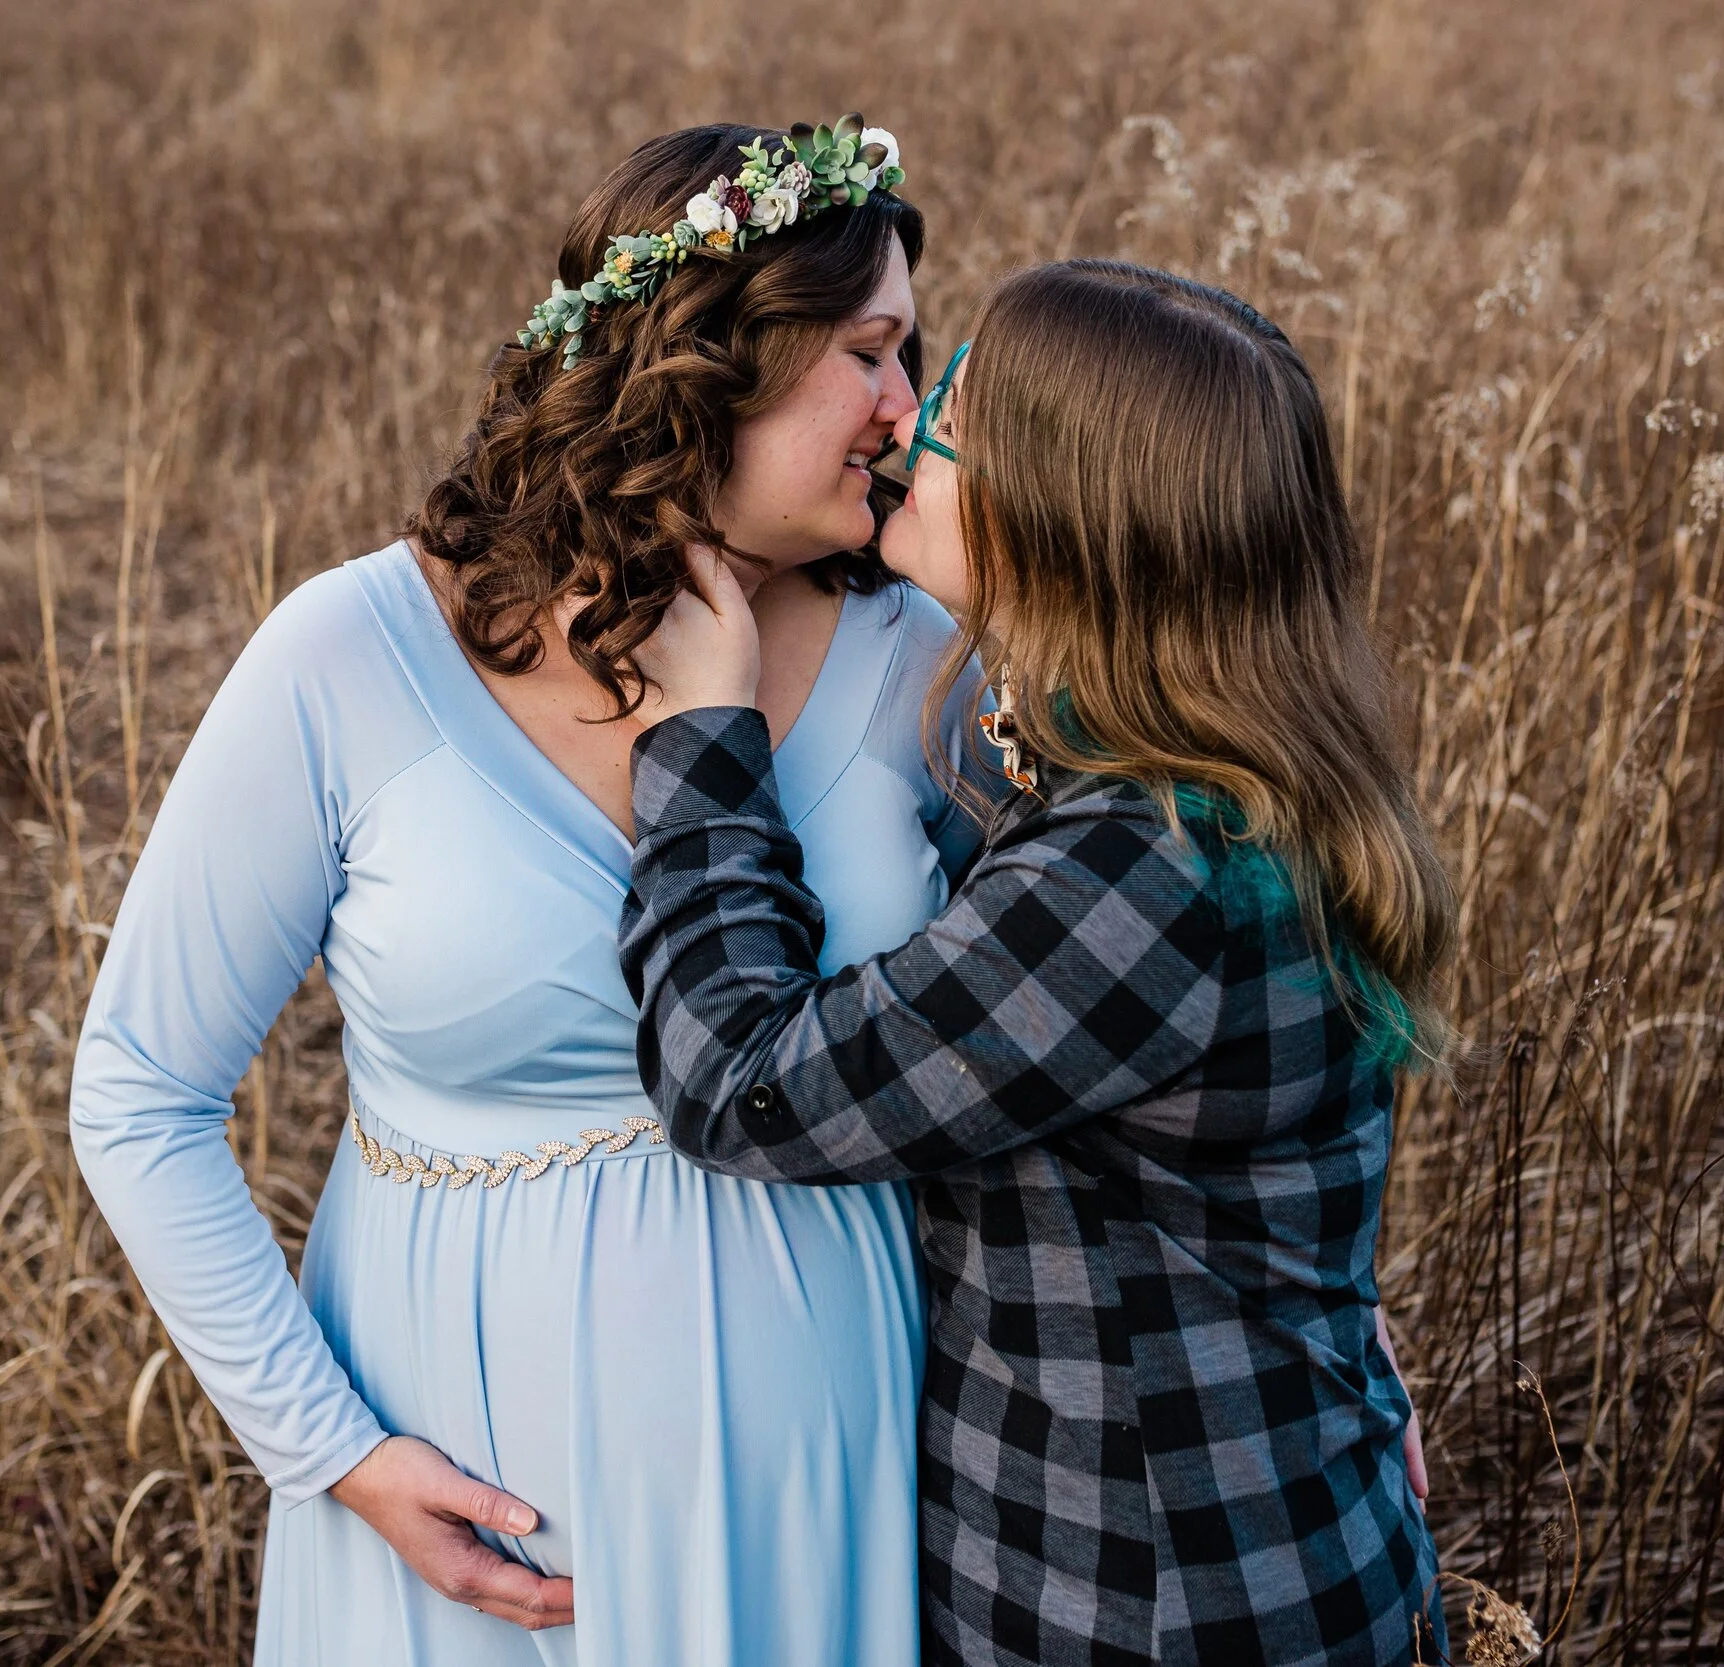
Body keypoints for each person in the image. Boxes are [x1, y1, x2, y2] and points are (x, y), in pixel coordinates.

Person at [70, 116, 977, 1664]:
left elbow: (1100, 1013)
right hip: (466, 1487)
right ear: (710, 365)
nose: (914, 410)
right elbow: (138, 1090)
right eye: (872, 354)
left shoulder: (928, 655)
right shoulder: (353, 653)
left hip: (827, 1465)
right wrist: (332, 1450)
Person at [621, 259, 1455, 1665]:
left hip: (1155, 1597)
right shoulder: (1220, 770)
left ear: (1061, 515)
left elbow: (737, 1083)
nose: (899, 428)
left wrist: (703, 739)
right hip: (1275, 1527)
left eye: (944, 411)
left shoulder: (1143, 872)